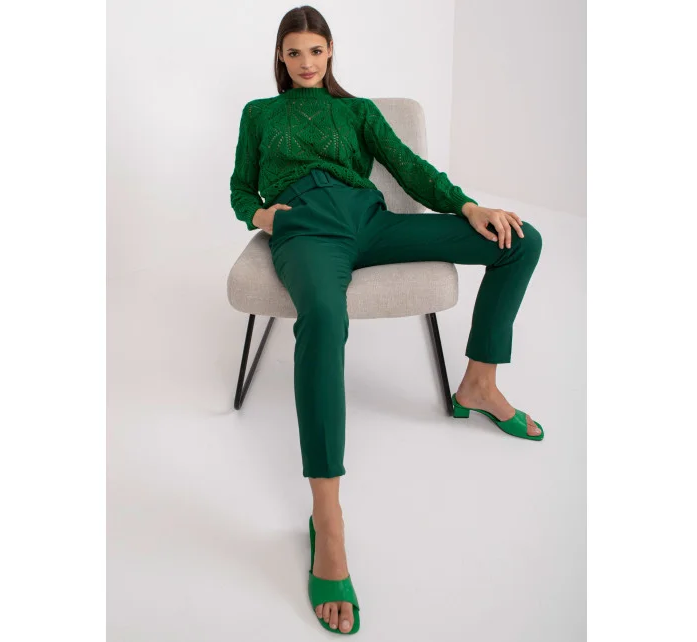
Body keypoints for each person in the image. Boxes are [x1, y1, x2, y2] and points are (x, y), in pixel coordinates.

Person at [229, 5, 544, 635]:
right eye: (294, 52)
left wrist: (468, 206)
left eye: (316, 50)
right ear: (281, 58)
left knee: (520, 239)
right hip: (306, 228)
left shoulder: (359, 111)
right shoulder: (259, 114)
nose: (306, 62)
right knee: (324, 318)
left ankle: (478, 384)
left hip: (371, 223)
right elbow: (241, 189)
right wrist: (264, 217)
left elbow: (409, 169)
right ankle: (328, 519)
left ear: (330, 52)